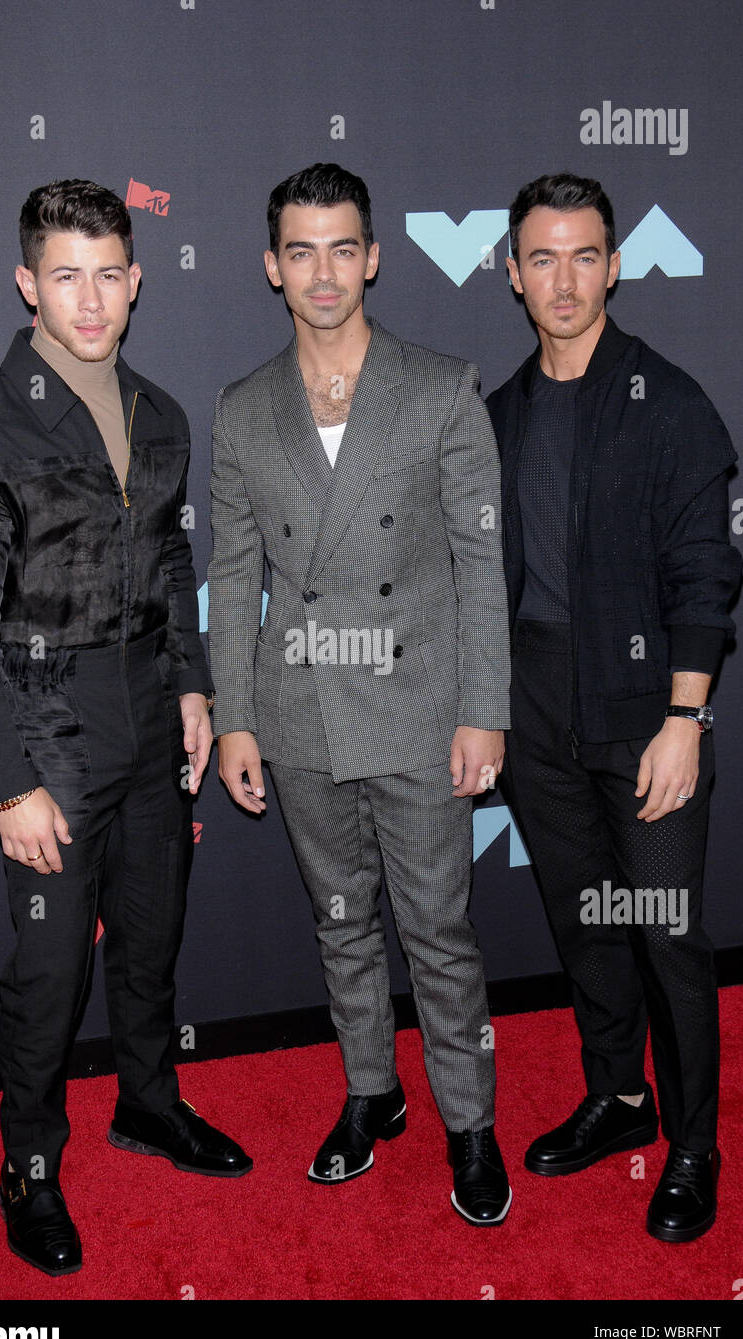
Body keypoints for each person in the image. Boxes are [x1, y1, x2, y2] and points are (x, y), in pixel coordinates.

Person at [0, 179, 251, 1278]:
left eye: (109, 272)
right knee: (52, 970)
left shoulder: (158, 412)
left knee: (151, 943)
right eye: (66, 275)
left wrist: (195, 688)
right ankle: (28, 1162)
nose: (91, 297)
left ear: (137, 279)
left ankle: (148, 1106)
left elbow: (167, 559)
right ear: (27, 285)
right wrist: (11, 787)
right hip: (46, 728)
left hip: (154, 719)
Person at [207, 163, 512, 1225]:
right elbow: (233, 573)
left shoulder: (440, 387)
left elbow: (481, 565)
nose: (322, 272)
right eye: (300, 250)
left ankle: (469, 1126)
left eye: (343, 248)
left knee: (437, 929)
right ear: (270, 267)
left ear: (373, 258)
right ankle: (371, 1095)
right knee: (341, 922)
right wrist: (235, 714)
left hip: (420, 706)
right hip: (297, 716)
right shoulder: (243, 409)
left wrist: (484, 709)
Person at [486, 172, 742, 1243]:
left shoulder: (668, 401)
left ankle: (690, 1141)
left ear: (614, 264)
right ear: (510, 271)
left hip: (645, 708)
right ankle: (617, 1095)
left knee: (664, 935)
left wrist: (684, 720)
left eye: (583, 254)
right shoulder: (493, 415)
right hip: (533, 700)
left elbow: (703, 575)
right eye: (540, 257)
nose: (562, 278)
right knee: (585, 920)